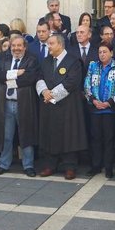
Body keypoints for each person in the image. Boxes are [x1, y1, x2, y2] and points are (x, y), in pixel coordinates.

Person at [36, 34, 88, 180]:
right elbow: (39, 77)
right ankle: (50, 165)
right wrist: (44, 92)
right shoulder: (46, 61)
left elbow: (72, 81)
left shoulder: (73, 61)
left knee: (69, 135)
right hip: (48, 106)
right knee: (49, 133)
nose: (49, 47)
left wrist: (52, 94)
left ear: (60, 44)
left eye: (51, 43)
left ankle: (70, 166)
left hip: (68, 105)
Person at [0, 35, 40, 177]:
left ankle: (28, 165)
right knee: (6, 136)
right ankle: (3, 164)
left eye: (19, 46)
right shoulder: (3, 58)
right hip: (6, 104)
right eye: (14, 46)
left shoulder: (32, 59)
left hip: (24, 104)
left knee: (26, 134)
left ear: (24, 47)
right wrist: (16, 73)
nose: (16, 48)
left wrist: (8, 79)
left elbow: (30, 79)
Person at [84, 42, 115, 179]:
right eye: (100, 52)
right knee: (95, 138)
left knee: (109, 139)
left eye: (105, 52)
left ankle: (109, 167)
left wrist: (109, 103)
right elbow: (87, 83)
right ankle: (95, 165)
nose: (102, 54)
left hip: (110, 110)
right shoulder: (93, 66)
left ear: (111, 53)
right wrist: (93, 100)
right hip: (95, 108)